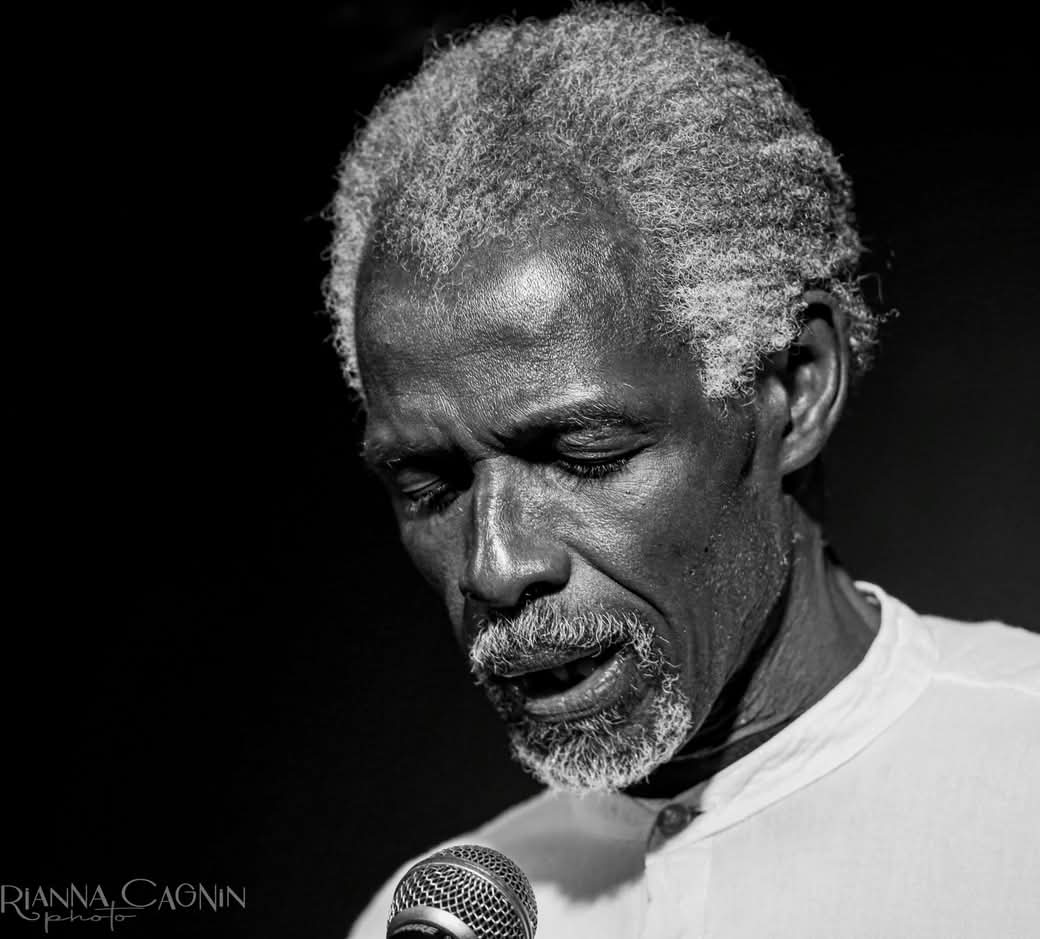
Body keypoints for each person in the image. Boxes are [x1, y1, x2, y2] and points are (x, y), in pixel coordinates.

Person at [329, 5, 1039, 936]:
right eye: (432, 487)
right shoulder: (433, 917)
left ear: (795, 387)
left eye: (584, 454)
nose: (494, 566)